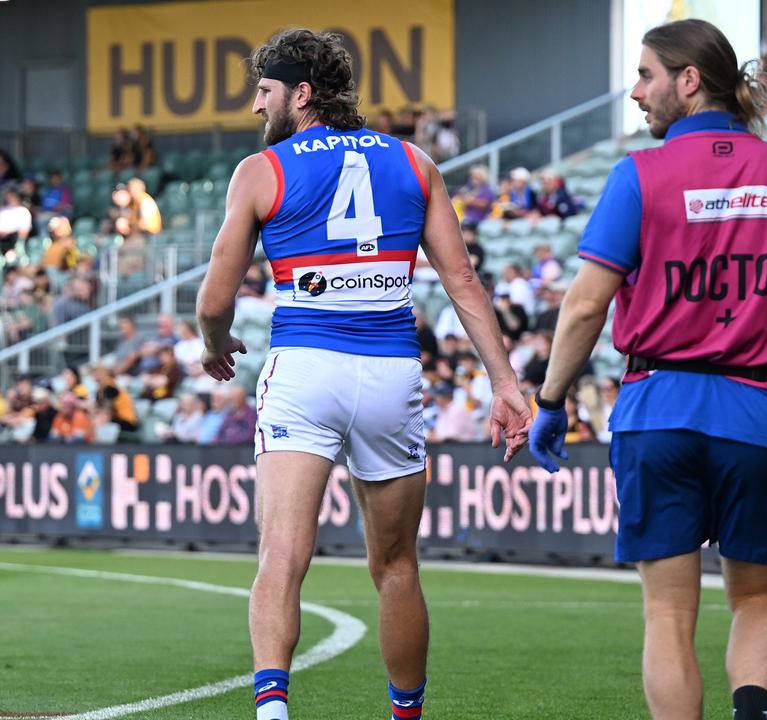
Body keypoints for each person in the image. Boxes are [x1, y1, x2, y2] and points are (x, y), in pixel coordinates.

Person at [526, 20, 767, 720]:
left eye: (646, 75)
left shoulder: (639, 176)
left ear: (689, 80)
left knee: (667, 615)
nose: (635, 92)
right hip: (757, 414)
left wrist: (550, 399)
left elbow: (585, 305)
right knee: (756, 599)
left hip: (656, 410)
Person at [194, 28, 531, 720]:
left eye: (265, 92)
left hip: (305, 368)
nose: (258, 107)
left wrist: (215, 343)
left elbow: (212, 301)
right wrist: (504, 381)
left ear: (302, 94)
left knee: (282, 558)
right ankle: (406, 714)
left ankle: (272, 711)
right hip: (389, 375)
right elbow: (462, 280)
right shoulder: (415, 162)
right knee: (397, 567)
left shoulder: (263, 171)